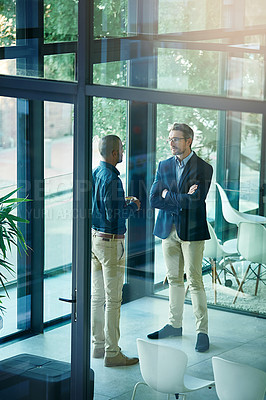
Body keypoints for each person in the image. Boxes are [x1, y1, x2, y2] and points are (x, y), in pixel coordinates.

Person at [148, 123, 213, 352]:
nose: (172, 143)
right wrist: (180, 196)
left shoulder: (204, 168)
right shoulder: (164, 165)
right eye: (170, 139)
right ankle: (174, 325)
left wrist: (169, 194)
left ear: (189, 141)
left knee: (195, 281)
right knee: (174, 279)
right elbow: (154, 199)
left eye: (176, 139)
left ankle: (201, 332)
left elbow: (196, 201)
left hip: (192, 232)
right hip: (168, 230)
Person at [91, 134, 141, 367]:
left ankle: (98, 347)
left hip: (94, 240)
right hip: (111, 243)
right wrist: (132, 206)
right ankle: (113, 353)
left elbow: (101, 206)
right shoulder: (113, 180)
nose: (122, 153)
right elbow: (115, 215)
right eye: (121, 149)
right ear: (113, 153)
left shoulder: (96, 173)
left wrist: (122, 201)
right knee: (113, 300)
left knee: (97, 297)